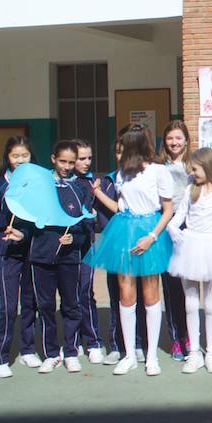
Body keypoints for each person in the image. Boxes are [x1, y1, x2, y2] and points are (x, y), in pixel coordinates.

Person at [87, 127, 175, 376]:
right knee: (126, 296)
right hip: (123, 232)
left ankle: (151, 357)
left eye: (123, 145)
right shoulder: (122, 174)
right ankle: (129, 355)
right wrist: (97, 193)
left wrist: (151, 236)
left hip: (150, 234)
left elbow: (168, 210)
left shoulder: (159, 171)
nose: (119, 149)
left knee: (151, 295)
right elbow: (120, 207)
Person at [167, 148, 212, 374]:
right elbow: (178, 216)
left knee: (210, 304)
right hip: (189, 246)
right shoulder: (191, 190)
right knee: (190, 302)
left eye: (196, 169)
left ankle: (210, 352)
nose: (193, 173)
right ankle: (194, 353)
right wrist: (171, 228)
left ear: (207, 167)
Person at [0, 136, 41, 377]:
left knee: (30, 302)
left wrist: (26, 232)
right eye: (15, 156)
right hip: (8, 252)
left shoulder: (38, 183)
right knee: (7, 305)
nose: (20, 160)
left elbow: (42, 217)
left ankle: (27, 350)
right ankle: (1, 358)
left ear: (31, 157)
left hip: (31, 250)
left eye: (24, 156)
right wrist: (8, 225)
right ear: (7, 157)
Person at [29, 140, 90, 374]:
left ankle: (71, 352)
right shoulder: (40, 187)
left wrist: (73, 240)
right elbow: (28, 219)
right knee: (45, 306)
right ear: (53, 159)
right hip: (41, 257)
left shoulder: (80, 188)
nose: (66, 166)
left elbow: (85, 230)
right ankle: (51, 354)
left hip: (69, 259)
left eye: (71, 162)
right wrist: (19, 233)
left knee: (71, 305)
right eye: (62, 161)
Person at [95, 135, 146, 366]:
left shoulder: (141, 178)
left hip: (139, 246)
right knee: (117, 296)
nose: (120, 156)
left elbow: (130, 209)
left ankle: (138, 344)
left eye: (124, 151)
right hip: (116, 247)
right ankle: (116, 346)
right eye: (117, 152)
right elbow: (108, 215)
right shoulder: (107, 180)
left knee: (141, 297)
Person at [159, 121, 192, 361]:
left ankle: (191, 336)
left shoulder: (194, 165)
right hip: (166, 230)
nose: (174, 142)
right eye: (170, 138)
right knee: (171, 289)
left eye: (178, 138)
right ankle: (177, 339)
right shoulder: (157, 167)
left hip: (191, 230)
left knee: (189, 288)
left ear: (186, 140)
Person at [71, 139, 104, 364]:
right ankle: (72, 343)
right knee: (69, 295)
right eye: (81, 158)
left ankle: (93, 342)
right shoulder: (61, 183)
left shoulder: (93, 181)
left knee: (85, 292)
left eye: (89, 158)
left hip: (87, 247)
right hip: (65, 248)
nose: (86, 162)